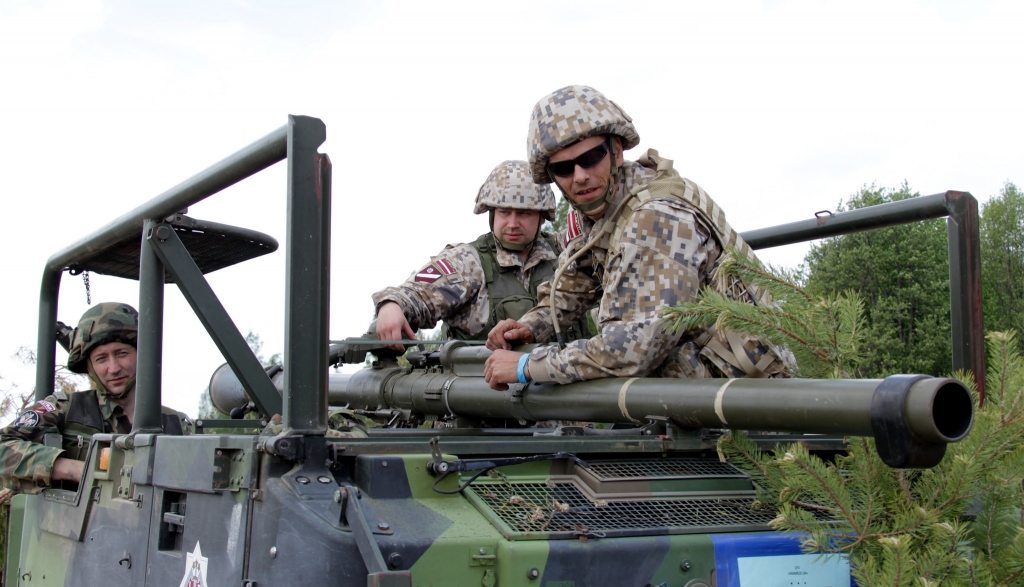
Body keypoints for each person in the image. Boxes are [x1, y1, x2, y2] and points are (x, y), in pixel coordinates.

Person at [484, 85, 791, 389]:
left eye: (591, 157)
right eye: (564, 168)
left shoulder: (656, 217)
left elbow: (631, 350)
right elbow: (574, 284)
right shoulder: (603, 211)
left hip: (745, 394)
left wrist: (528, 365)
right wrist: (528, 327)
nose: (580, 176)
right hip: (699, 388)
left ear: (616, 151)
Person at [372, 160, 590, 349]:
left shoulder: (565, 250)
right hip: (486, 382)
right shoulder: (468, 262)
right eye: (504, 212)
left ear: (542, 217)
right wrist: (392, 306)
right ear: (492, 214)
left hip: (568, 380)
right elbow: (415, 294)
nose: (512, 223)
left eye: (524, 213)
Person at [0, 302, 191, 493]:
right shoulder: (66, 409)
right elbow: (3, 447)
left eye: (122, 353)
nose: (114, 368)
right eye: (101, 359)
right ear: (90, 368)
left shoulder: (176, 424)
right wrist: (73, 469)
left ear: (143, 356)